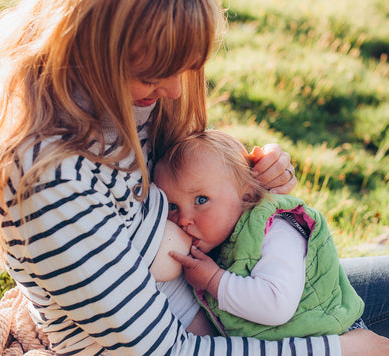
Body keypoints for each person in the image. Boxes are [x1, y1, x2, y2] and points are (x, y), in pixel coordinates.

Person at [0, 0, 389, 355]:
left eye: (183, 67)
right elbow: (163, 350)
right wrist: (336, 350)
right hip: (208, 338)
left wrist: (249, 178)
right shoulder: (50, 182)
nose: (170, 89)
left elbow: (192, 170)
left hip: (238, 305)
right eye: (151, 73)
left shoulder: (124, 100)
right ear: (87, 46)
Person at [153, 129, 368, 340]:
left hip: (330, 334)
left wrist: (213, 280)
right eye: (172, 206)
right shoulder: (221, 237)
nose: (182, 220)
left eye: (201, 200)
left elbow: (277, 305)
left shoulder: (275, 231)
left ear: (246, 193)